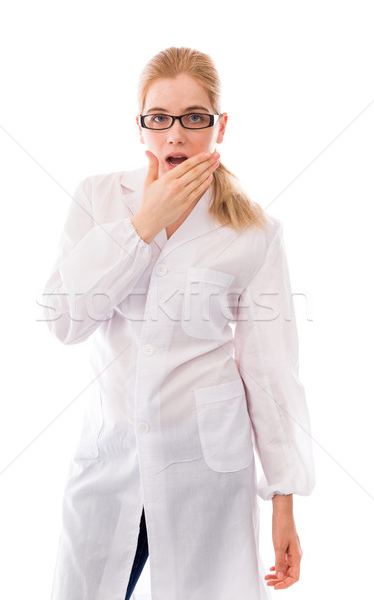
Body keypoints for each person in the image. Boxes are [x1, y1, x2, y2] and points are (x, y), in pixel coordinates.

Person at [42, 46, 315, 600]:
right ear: (139, 128)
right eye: (159, 119)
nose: (175, 136)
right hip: (110, 460)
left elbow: (270, 371)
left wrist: (284, 500)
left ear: (220, 127)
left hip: (207, 472)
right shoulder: (99, 199)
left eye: (194, 118)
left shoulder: (256, 232)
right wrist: (144, 224)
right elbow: (65, 320)